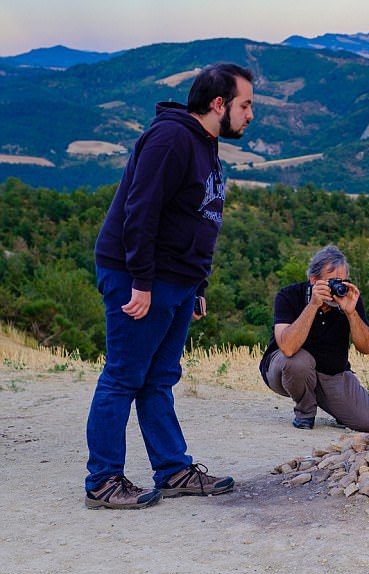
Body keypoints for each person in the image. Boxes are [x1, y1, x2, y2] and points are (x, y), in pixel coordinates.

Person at [84, 62, 255, 510]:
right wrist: (140, 282)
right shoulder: (172, 137)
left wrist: (199, 286)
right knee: (123, 376)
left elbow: (197, 220)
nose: (249, 114)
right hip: (139, 275)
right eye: (245, 104)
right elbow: (140, 211)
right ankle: (102, 482)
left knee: (159, 378)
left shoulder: (205, 144)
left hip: (177, 280)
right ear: (219, 104)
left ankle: (173, 469)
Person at [259, 245, 369, 432]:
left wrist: (351, 313)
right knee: (298, 362)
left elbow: (367, 348)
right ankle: (305, 413)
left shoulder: (349, 299)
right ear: (313, 280)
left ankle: (333, 406)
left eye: (342, 281)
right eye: (331, 282)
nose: (337, 288)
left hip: (330, 373)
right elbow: (288, 348)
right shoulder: (289, 295)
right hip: (284, 370)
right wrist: (313, 305)